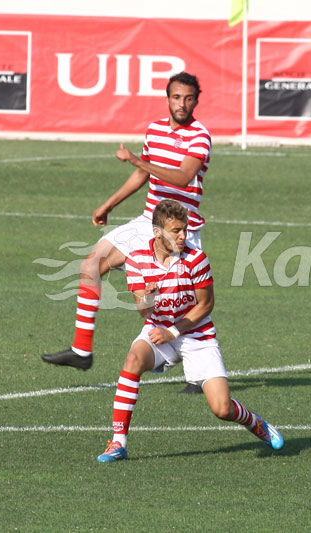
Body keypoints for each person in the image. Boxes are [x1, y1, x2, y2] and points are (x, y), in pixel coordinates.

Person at [43, 71, 211, 393]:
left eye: (188, 98)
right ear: (167, 99)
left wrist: (138, 160)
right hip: (147, 220)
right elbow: (141, 175)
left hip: (179, 228)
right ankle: (81, 350)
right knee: (90, 264)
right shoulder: (155, 130)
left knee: (182, 299)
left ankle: (197, 371)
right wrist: (108, 205)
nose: (182, 104)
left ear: (196, 101)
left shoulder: (200, 135)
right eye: (176, 97)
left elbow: (182, 177)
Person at [96, 200, 283, 462]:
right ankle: (118, 443)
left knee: (221, 409)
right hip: (158, 329)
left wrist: (173, 331)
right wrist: (147, 299)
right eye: (176, 231)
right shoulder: (137, 260)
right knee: (133, 360)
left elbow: (206, 305)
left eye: (184, 230)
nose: (184, 236)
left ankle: (256, 423)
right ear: (157, 232)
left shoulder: (196, 259)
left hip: (197, 335)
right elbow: (144, 311)